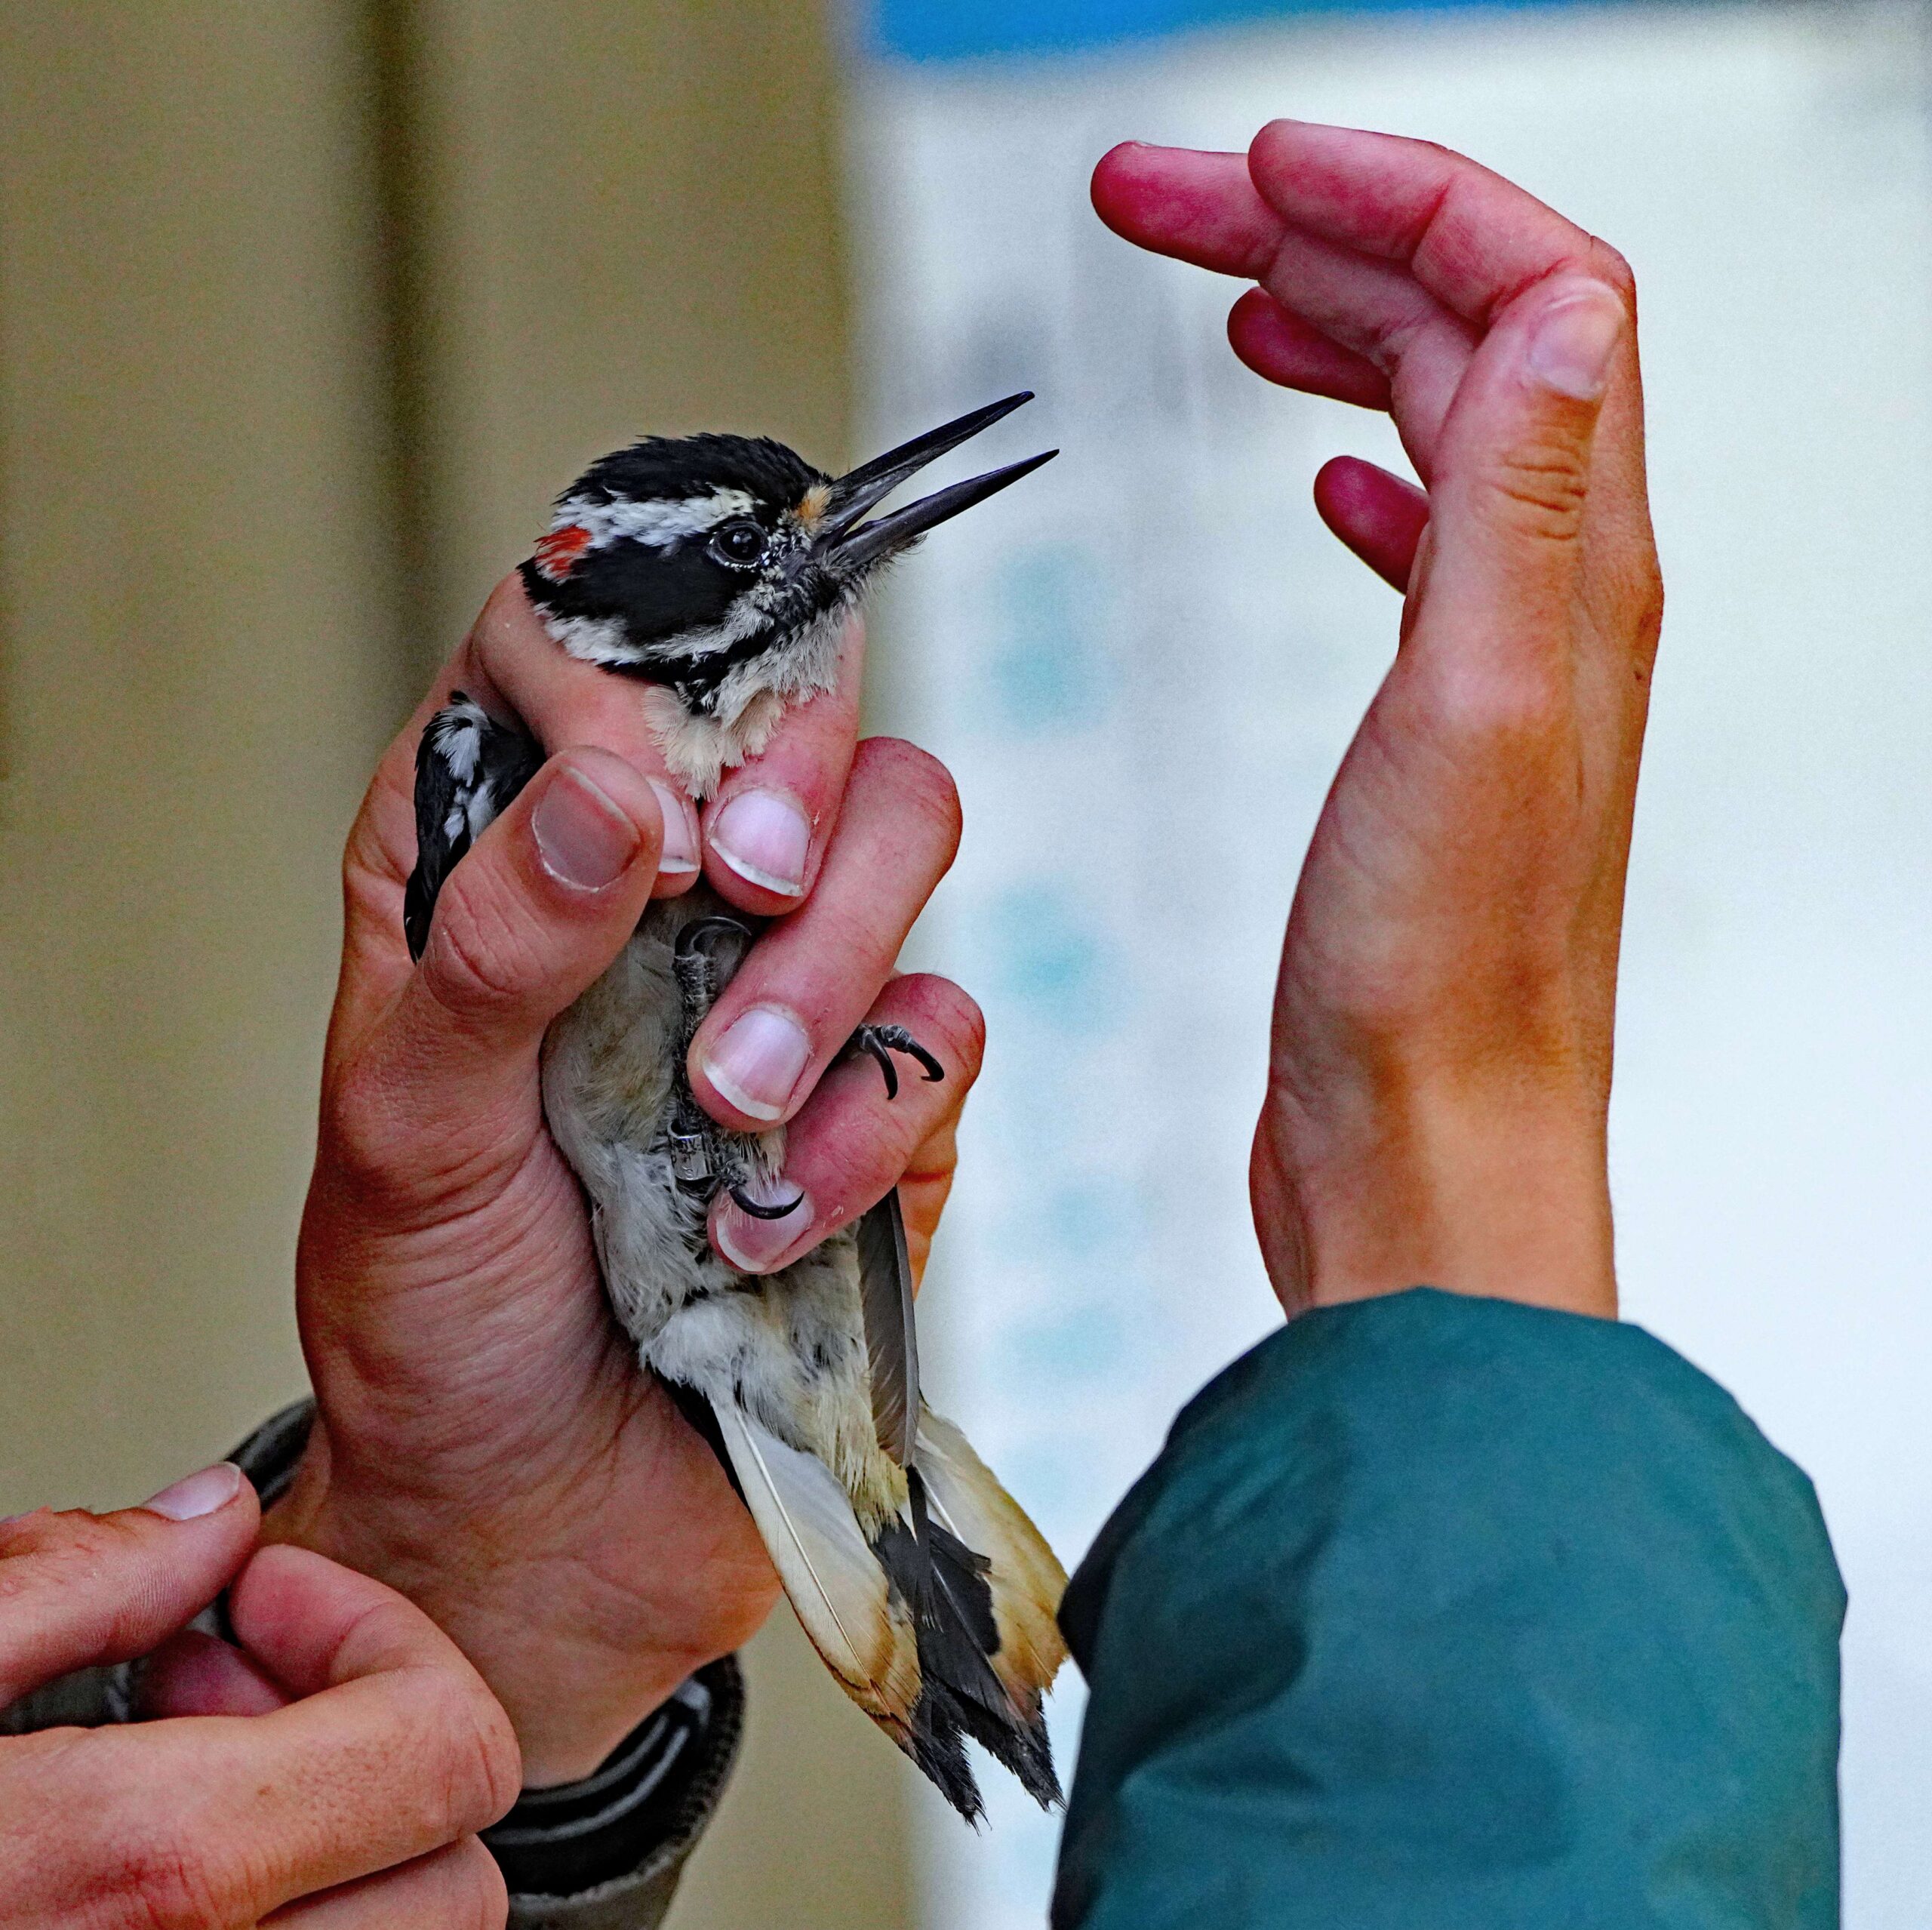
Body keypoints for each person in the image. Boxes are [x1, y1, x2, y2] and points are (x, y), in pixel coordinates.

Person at [0, 122, 1842, 1928]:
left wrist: (481, 1582)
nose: (834, 555)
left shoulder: (650, 793)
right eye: (752, 554)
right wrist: (1452, 1155)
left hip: (623, 1465)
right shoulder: (544, 775)